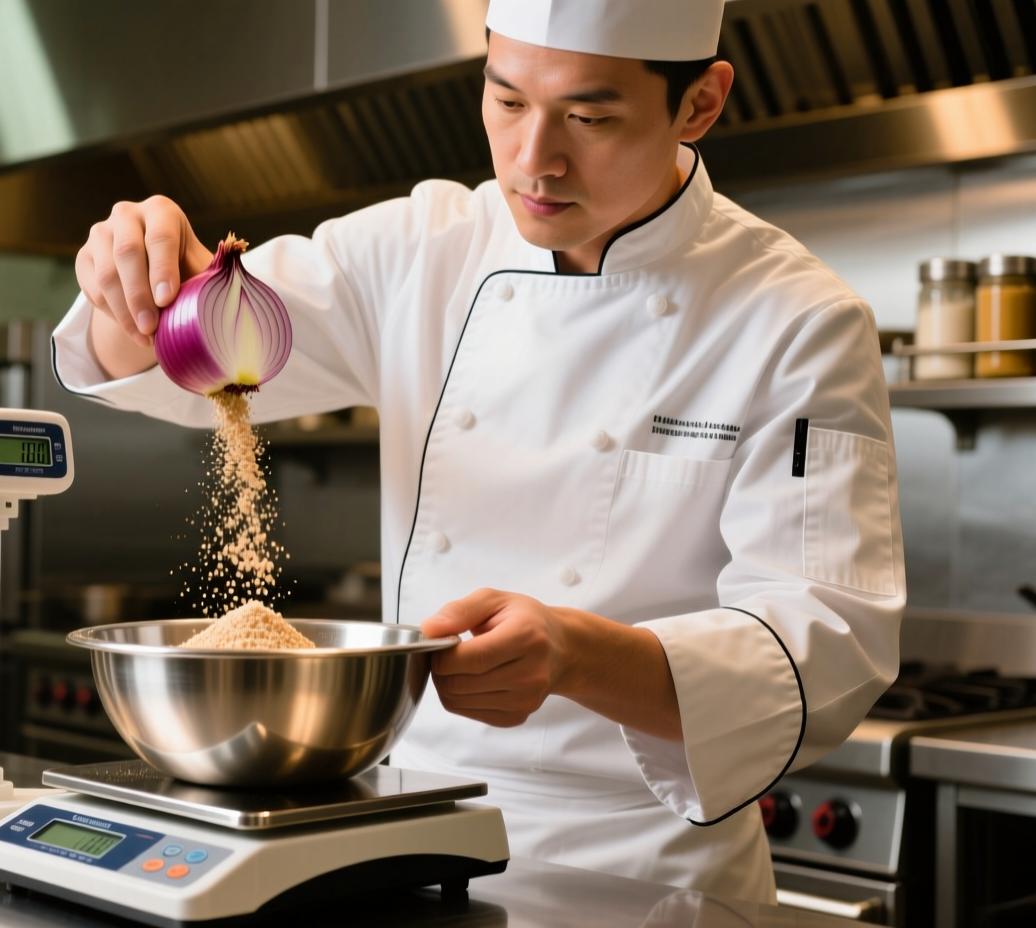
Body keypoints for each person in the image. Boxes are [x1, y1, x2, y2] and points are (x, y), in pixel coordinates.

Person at [53, 0, 903, 904]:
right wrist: (129, 288)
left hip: (646, 873)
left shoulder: (797, 320)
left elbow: (825, 646)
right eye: (505, 102)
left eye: (591, 116)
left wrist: (579, 654)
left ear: (699, 103)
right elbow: (199, 359)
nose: (535, 160)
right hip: (407, 834)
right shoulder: (423, 247)